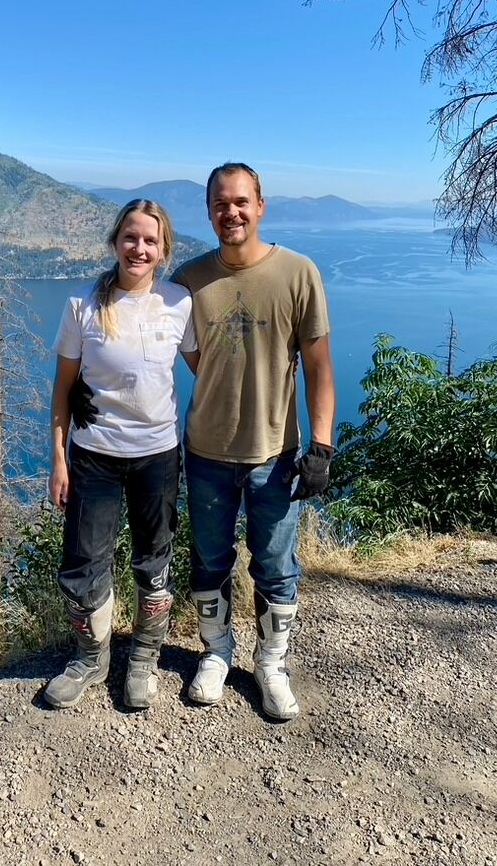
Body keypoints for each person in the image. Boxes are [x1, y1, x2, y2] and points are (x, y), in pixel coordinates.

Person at [172, 162, 335, 721]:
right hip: (206, 451)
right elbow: (178, 347)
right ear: (209, 211)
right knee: (210, 560)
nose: (231, 212)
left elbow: (319, 366)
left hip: (276, 454)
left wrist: (322, 445)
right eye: (221, 203)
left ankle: (272, 663)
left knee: (276, 565)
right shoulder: (189, 280)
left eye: (241, 202)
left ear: (261, 206)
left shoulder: (297, 272)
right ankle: (216, 653)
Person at [46, 199, 197, 711]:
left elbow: (210, 371)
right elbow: (63, 390)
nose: (139, 248)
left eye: (150, 241)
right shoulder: (82, 307)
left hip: (158, 456)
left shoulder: (179, 303)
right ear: (115, 242)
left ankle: (143, 659)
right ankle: (92, 659)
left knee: (154, 564)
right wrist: (59, 460)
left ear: (163, 250)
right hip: (94, 457)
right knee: (84, 566)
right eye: (131, 237)